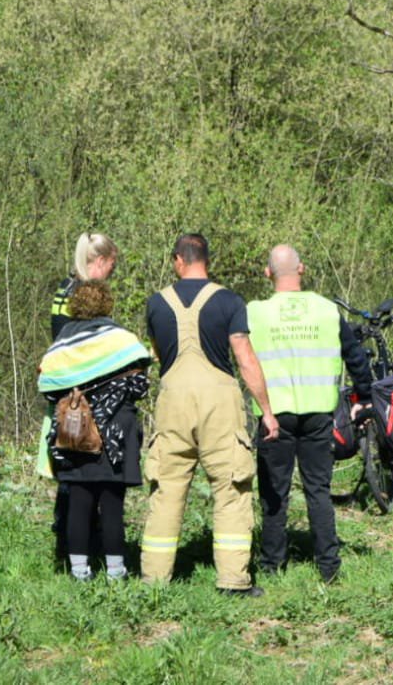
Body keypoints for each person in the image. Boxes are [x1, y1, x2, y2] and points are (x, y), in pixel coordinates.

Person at [141, 233, 279, 595]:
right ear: (207, 260)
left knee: (166, 489)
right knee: (231, 488)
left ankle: (154, 581)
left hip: (173, 400)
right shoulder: (230, 301)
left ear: (177, 261)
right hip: (220, 402)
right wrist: (266, 411)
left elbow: (158, 354)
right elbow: (245, 359)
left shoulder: (155, 304)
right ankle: (233, 582)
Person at [248, 244, 375, 583]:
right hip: (319, 412)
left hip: (273, 415)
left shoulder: (254, 313)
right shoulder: (326, 309)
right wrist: (364, 395)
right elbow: (356, 357)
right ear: (301, 269)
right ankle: (329, 566)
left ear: (267, 273)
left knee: (275, 492)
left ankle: (273, 565)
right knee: (318, 490)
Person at [38, 280, 151, 580]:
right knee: (112, 503)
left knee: (78, 501)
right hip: (116, 431)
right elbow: (140, 385)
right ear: (107, 304)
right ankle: (116, 572)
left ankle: (78, 572)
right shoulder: (122, 339)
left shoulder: (62, 341)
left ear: (75, 306)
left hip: (73, 430)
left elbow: (48, 387)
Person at [42, 232, 120, 562]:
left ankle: (69, 548)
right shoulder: (83, 295)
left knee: (69, 470)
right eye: (111, 267)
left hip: (64, 391)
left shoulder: (64, 288)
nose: (111, 276)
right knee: (84, 474)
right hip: (84, 397)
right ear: (99, 262)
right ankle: (84, 549)